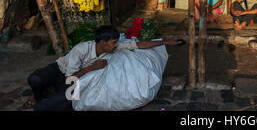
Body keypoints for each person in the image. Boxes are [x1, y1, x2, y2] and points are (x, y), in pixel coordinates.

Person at [22, 26, 182, 111]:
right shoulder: (81, 49)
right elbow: (69, 78)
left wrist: (165, 42)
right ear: (103, 42)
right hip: (61, 71)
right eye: (113, 42)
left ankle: (41, 102)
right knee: (36, 80)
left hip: (74, 76)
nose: (116, 45)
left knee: (70, 98)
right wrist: (90, 68)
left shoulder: (113, 48)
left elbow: (138, 45)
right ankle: (37, 97)